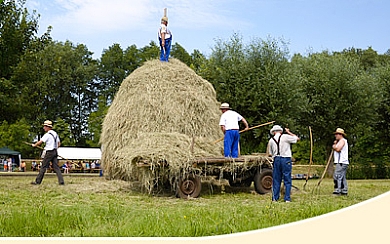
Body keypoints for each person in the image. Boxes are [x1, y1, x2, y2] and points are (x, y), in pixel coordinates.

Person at [268, 125, 299, 202]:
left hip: (276, 159)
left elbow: (270, 153)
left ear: (273, 132)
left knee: (276, 179)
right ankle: (287, 198)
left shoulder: (271, 140)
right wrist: (289, 132)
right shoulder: (285, 137)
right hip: (286, 159)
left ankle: (275, 198)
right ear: (281, 131)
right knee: (287, 179)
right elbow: (296, 138)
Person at [31, 120, 64, 185]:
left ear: (47, 127)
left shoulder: (47, 135)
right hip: (55, 151)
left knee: (43, 166)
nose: (43, 128)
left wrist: (34, 145)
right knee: (56, 167)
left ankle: (37, 182)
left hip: (49, 152)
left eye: (44, 126)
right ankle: (61, 181)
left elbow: (40, 142)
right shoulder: (55, 134)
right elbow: (59, 144)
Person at [332, 128, 349, 196]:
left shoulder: (342, 141)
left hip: (341, 162)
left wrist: (334, 146)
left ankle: (338, 190)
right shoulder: (340, 141)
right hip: (341, 162)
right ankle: (344, 190)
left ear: (340, 134)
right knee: (342, 176)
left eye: (337, 134)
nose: (335, 135)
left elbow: (338, 149)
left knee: (337, 176)